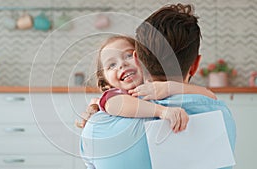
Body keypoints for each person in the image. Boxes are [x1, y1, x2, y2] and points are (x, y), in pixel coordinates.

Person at [80, 3, 236, 169]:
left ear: (137, 60)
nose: (121, 66)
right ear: (195, 65)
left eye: (126, 57)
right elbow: (209, 96)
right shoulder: (221, 115)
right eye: (111, 65)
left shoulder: (96, 127)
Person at [76, 35, 216, 132]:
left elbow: (210, 96)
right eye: (111, 65)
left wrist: (168, 88)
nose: (122, 64)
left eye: (129, 55)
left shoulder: (156, 87)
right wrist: (163, 112)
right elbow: (115, 104)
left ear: (142, 58)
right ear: (105, 81)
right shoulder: (115, 95)